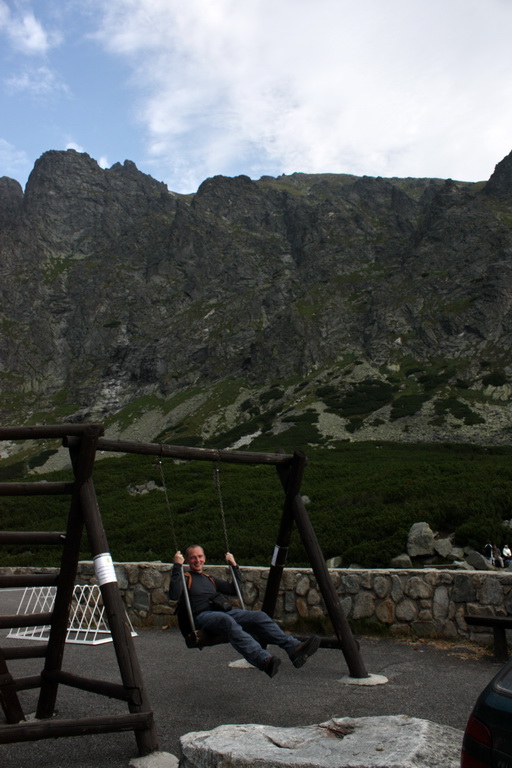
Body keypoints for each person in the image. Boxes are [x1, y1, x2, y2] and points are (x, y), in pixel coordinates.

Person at [169, 545, 320, 678]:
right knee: (225, 620)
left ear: (205, 558)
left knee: (259, 616)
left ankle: (293, 648)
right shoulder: (185, 577)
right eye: (193, 557)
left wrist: (234, 565)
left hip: (221, 613)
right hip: (202, 617)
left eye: (200, 556)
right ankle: (262, 659)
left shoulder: (210, 579)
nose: (197, 560)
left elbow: (234, 589)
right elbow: (174, 595)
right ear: (187, 560)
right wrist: (177, 566)